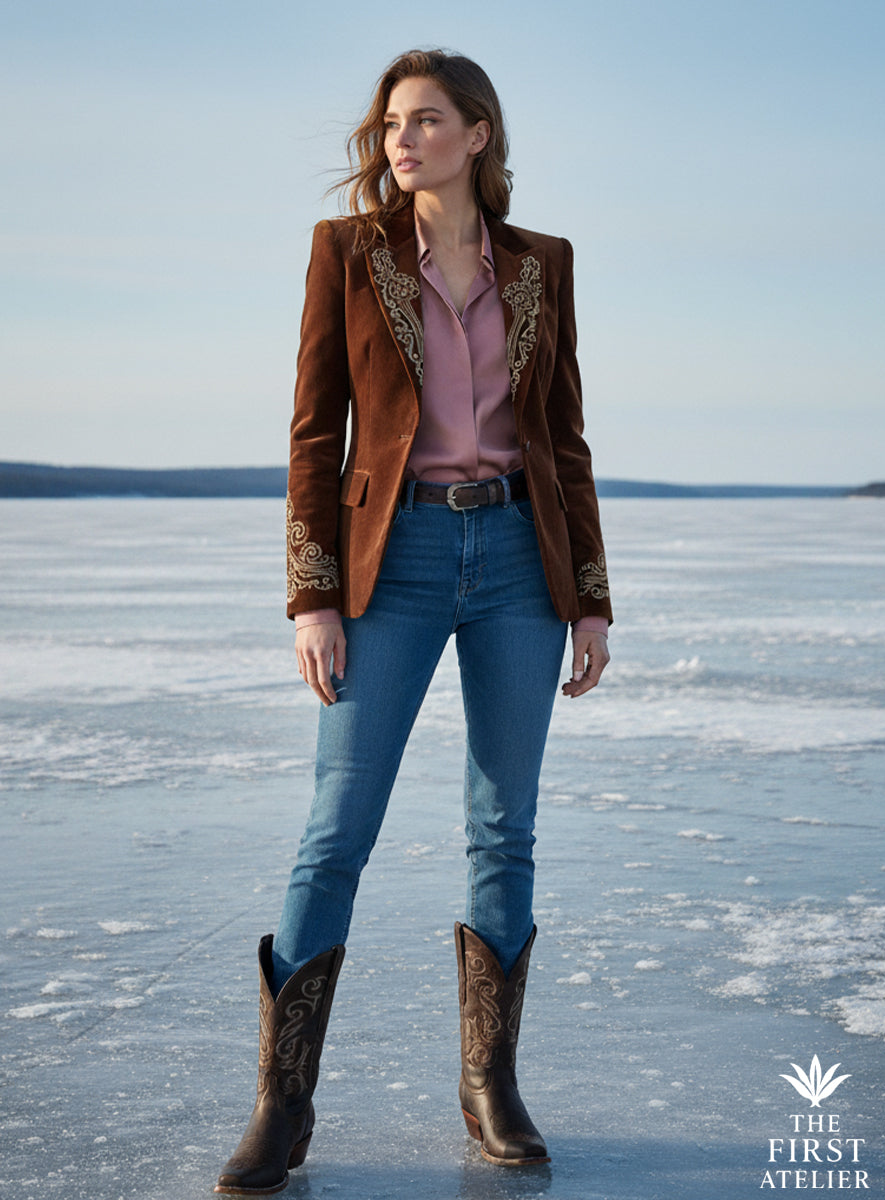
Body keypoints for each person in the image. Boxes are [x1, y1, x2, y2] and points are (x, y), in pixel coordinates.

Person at [214, 48, 612, 1195]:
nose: (402, 139)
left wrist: (587, 596)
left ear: (478, 136)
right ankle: (282, 1106)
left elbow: (567, 439)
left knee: (505, 826)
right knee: (336, 827)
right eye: (392, 123)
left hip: (518, 563)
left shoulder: (544, 264)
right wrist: (312, 594)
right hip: (393, 557)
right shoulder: (347, 255)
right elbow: (312, 434)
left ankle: (490, 1086)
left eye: (427, 121)